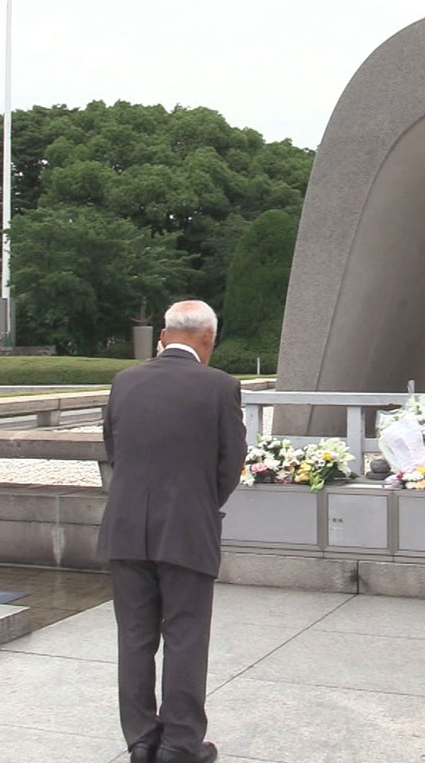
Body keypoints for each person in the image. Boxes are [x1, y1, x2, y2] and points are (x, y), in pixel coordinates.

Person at [99, 299, 245, 763]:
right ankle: (180, 744)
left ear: (163, 337)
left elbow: (113, 450)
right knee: (185, 635)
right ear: (208, 339)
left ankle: (141, 740)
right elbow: (230, 465)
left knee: (135, 637)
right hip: (186, 530)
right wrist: (198, 506)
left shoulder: (124, 382)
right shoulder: (220, 386)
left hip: (125, 529)